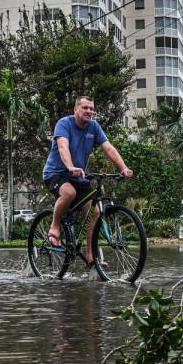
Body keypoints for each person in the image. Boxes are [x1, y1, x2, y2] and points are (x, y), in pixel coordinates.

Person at [42, 96, 132, 264]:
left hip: (79, 175)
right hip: (56, 173)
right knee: (69, 192)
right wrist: (70, 166)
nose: (89, 111)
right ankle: (55, 226)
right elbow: (63, 147)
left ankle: (91, 257)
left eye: (91, 109)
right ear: (76, 109)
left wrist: (123, 168)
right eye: (85, 108)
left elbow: (108, 148)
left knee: (96, 212)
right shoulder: (64, 123)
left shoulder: (94, 127)